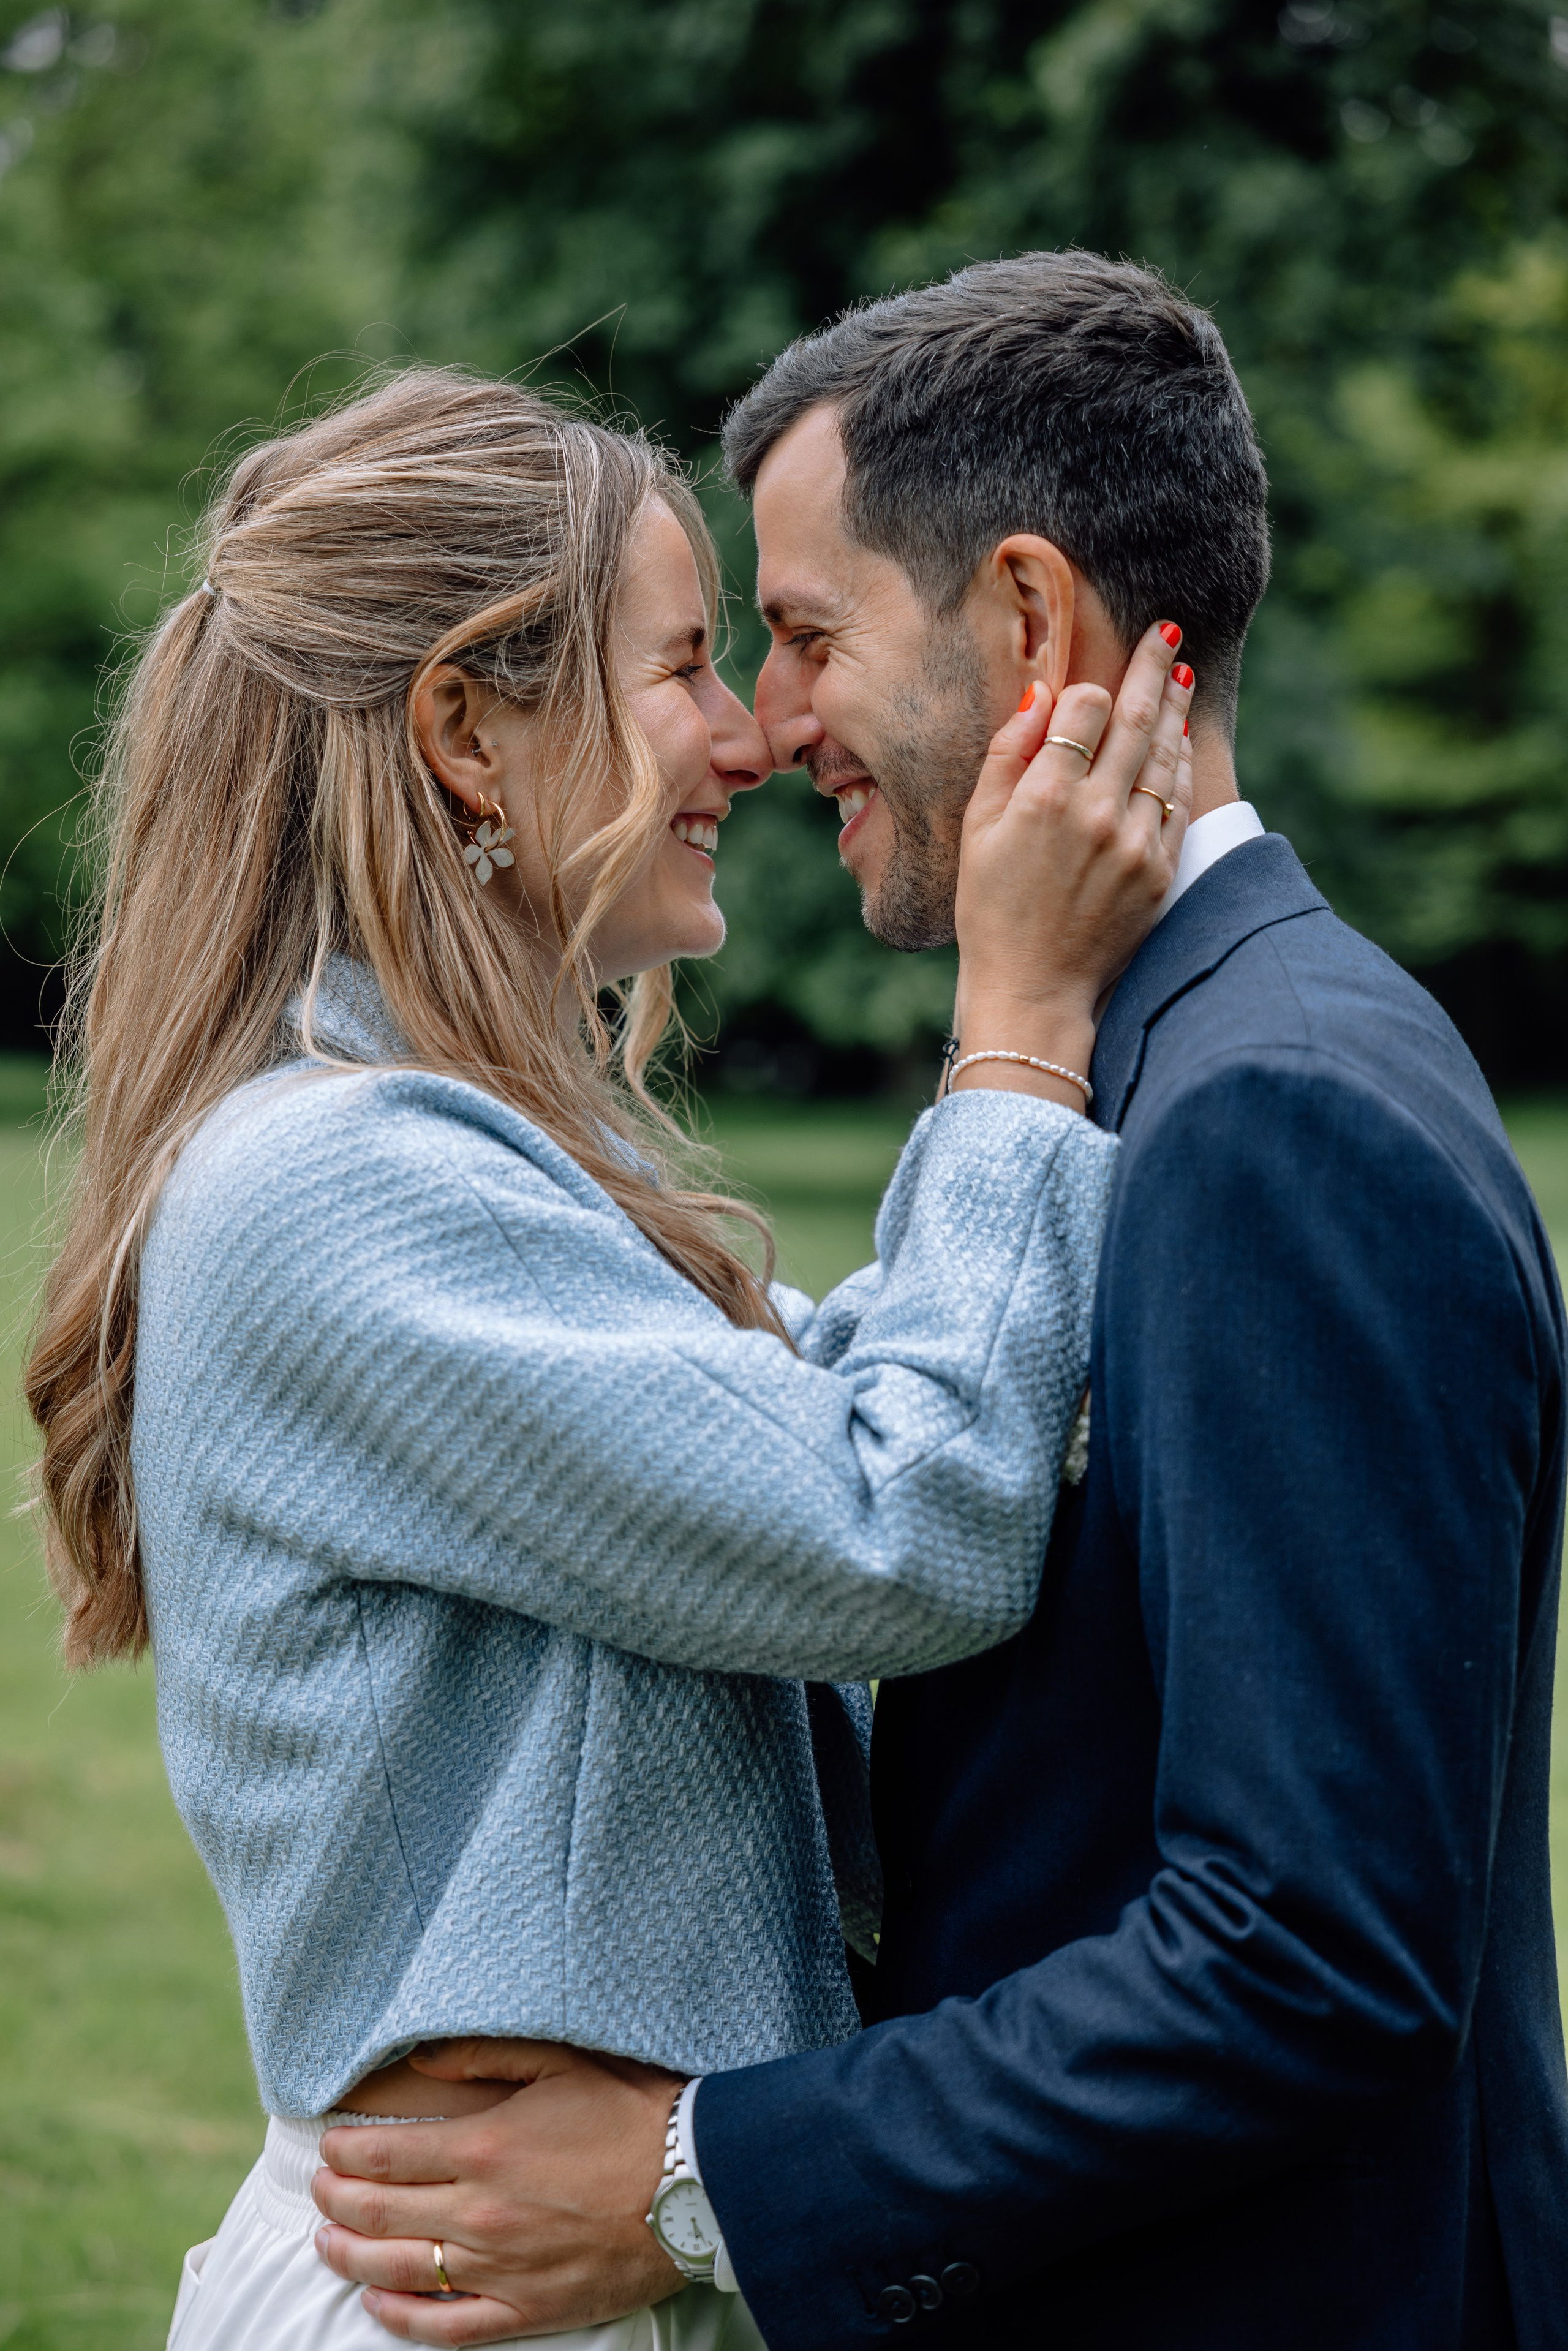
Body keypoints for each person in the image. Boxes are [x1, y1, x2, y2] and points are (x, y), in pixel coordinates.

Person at [312, 255, 1568, 2351]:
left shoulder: (1274, 1115)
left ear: (1026, 623)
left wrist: (704, 2180)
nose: (769, 724)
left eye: (805, 637)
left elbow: (1310, 1950)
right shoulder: (1160, 1064)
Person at [23, 363, 1197, 2351]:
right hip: (477, 2295)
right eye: (683, 670)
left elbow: (855, 1400)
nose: (749, 737)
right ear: (470, 731)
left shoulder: (464, 1151)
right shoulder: (339, 1185)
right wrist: (1020, 1022)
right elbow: (899, 1520)